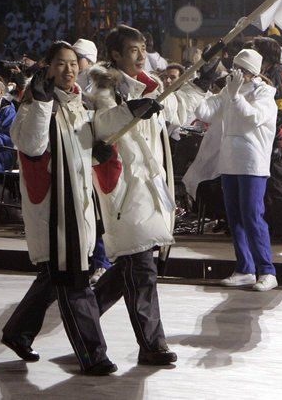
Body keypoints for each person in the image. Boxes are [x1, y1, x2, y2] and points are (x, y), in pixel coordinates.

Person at [89, 24, 206, 366]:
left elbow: (182, 111)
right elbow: (103, 127)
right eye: (133, 50)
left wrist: (202, 77)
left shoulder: (153, 87)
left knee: (130, 266)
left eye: (143, 49)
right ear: (115, 55)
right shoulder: (103, 90)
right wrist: (132, 109)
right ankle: (152, 344)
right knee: (141, 270)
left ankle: (81, 317)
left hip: (149, 190)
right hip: (126, 191)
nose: (141, 56)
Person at [1, 42, 119, 376]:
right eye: (61, 64)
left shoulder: (80, 103)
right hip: (56, 211)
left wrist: (97, 154)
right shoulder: (34, 104)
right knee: (74, 281)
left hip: (76, 207)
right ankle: (93, 354)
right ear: (48, 67)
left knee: (56, 277)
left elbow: (74, 153)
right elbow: (33, 145)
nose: (69, 70)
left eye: (73, 64)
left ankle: (18, 331)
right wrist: (40, 101)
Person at [194, 48, 279, 291]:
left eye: (242, 70)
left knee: (252, 216)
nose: (236, 73)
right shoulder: (229, 91)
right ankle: (245, 268)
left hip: (253, 163)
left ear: (253, 72)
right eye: (235, 68)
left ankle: (267, 270)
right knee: (234, 218)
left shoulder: (265, 95)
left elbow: (252, 117)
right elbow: (204, 113)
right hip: (230, 161)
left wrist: (234, 96)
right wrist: (202, 85)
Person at [251, 36, 282, 243]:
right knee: (267, 186)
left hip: (275, 140)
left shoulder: (278, 74)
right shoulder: (266, 72)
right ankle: (269, 227)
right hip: (264, 139)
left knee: (277, 185)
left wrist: (274, 136)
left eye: (254, 49)